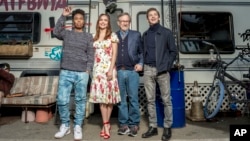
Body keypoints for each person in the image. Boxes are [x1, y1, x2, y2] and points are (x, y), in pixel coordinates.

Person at [53, 7, 94, 140]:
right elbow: (56, 31)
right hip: (66, 71)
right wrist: (63, 16)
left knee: (80, 101)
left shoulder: (88, 36)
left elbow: (91, 55)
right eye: (76, 19)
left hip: (82, 73)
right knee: (62, 100)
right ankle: (65, 126)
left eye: (81, 19)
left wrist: (88, 69)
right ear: (73, 21)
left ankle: (77, 126)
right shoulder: (66, 34)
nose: (78, 21)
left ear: (84, 21)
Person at [141, 8, 177, 141]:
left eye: (155, 15)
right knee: (150, 100)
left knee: (166, 100)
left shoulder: (166, 33)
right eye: (150, 15)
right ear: (147, 19)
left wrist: (167, 66)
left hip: (162, 70)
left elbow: (173, 51)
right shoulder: (145, 35)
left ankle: (167, 128)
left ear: (159, 17)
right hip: (148, 69)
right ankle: (153, 127)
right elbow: (142, 52)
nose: (153, 17)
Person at [89, 13, 120, 139]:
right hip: (97, 71)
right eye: (101, 20)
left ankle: (106, 125)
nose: (103, 22)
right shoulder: (93, 37)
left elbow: (114, 55)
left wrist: (110, 70)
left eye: (105, 20)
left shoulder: (112, 36)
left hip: (109, 70)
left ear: (108, 23)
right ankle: (106, 124)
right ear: (98, 22)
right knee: (102, 99)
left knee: (109, 98)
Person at [115, 12, 143, 137]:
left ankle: (134, 124)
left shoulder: (136, 35)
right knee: (121, 100)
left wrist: (141, 63)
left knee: (133, 99)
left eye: (127, 21)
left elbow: (142, 52)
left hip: (132, 71)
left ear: (129, 22)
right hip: (118, 71)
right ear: (118, 22)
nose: (124, 23)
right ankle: (123, 124)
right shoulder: (113, 35)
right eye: (122, 21)